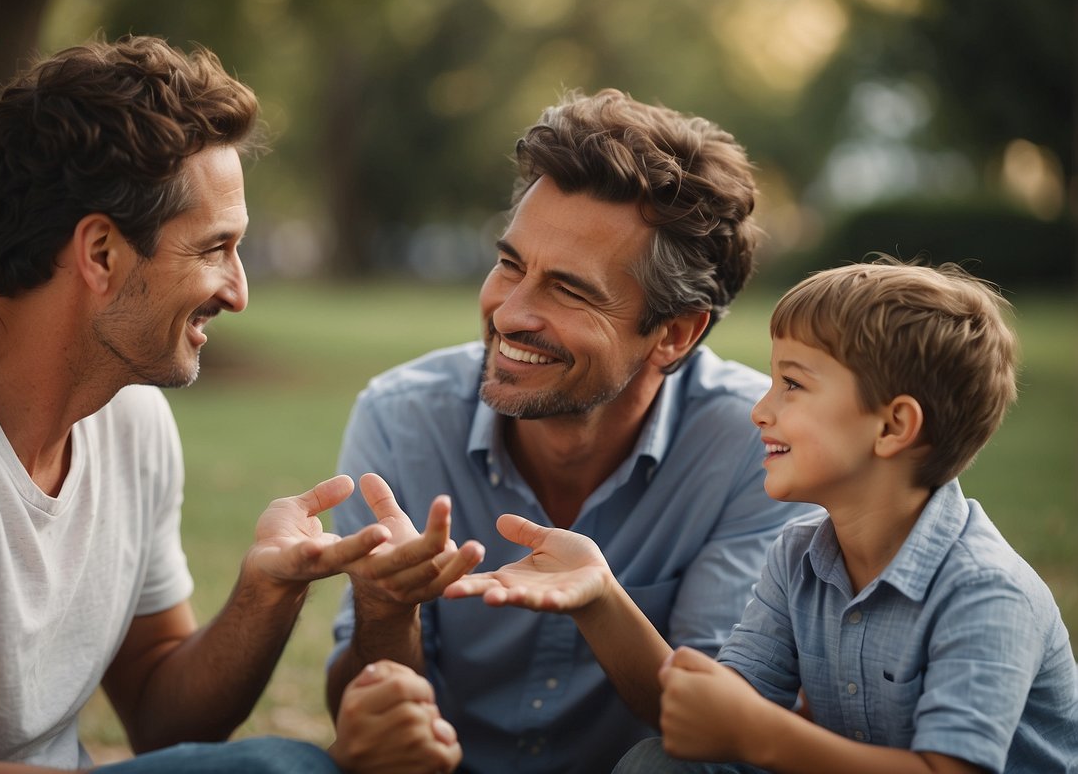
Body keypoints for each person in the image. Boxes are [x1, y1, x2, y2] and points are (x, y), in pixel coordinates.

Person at [0, 35, 463, 774]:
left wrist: (266, 593)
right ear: (102, 254)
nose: (239, 293)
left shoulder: (131, 420)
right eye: (215, 249)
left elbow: (160, 717)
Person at [324, 88, 819, 773]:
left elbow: (718, 727)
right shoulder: (401, 418)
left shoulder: (753, 445)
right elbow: (360, 715)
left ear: (673, 333)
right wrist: (382, 611)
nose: (508, 313)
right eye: (509, 265)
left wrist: (602, 603)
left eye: (568, 289)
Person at [454, 260, 1078, 773]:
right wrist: (599, 596)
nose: (760, 409)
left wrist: (763, 738)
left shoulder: (986, 590)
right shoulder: (801, 556)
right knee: (661, 764)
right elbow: (721, 712)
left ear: (893, 426)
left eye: (793, 386)